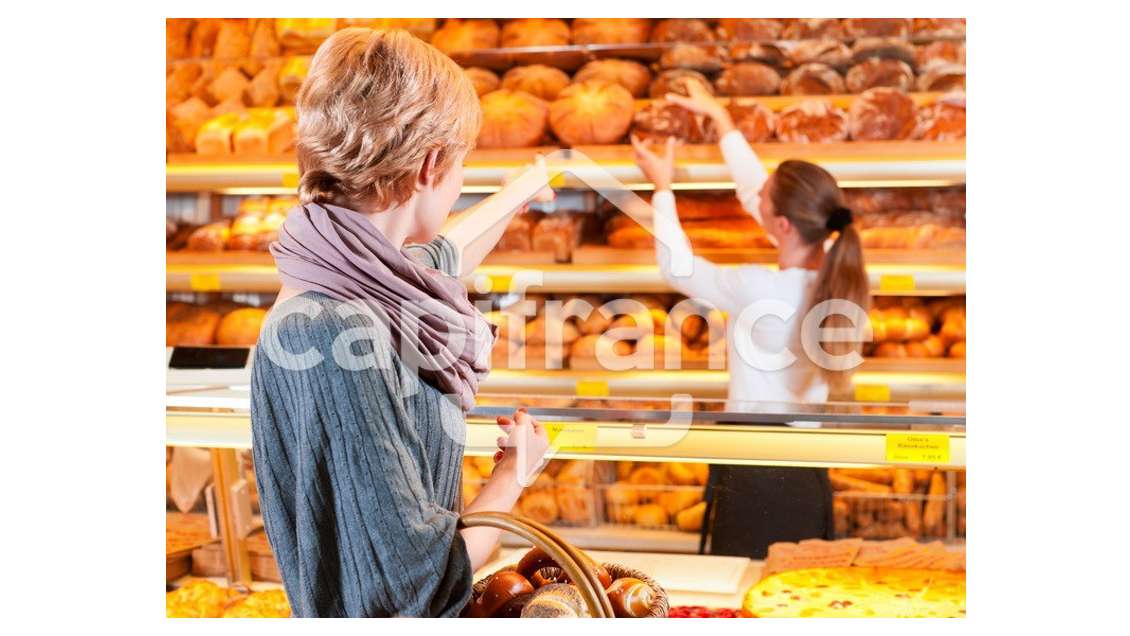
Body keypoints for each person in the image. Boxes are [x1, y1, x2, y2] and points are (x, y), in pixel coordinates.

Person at [250, 28, 551, 617]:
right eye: (464, 162)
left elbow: (446, 254)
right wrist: (514, 475)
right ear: (431, 165)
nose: (462, 181)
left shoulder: (344, 272)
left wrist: (523, 190)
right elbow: (419, 589)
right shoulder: (332, 335)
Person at [631, 79, 871, 558]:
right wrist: (722, 123)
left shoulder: (760, 288)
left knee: (742, 591)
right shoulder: (839, 275)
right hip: (807, 466)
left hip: (753, 462)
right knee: (798, 587)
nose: (754, 196)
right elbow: (759, 193)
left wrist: (662, 188)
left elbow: (675, 268)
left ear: (782, 225)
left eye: (765, 198)